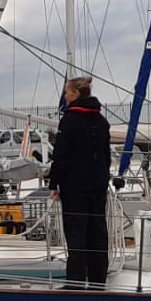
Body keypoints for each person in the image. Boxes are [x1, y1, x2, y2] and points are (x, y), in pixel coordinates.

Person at [47, 75, 112, 288]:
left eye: (67, 93)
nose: (65, 97)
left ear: (75, 94)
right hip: (98, 186)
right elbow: (106, 156)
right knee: (97, 234)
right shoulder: (102, 121)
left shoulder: (70, 120)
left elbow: (61, 155)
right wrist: (104, 179)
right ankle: (98, 282)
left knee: (77, 234)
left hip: (74, 187)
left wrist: (54, 183)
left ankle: (75, 283)